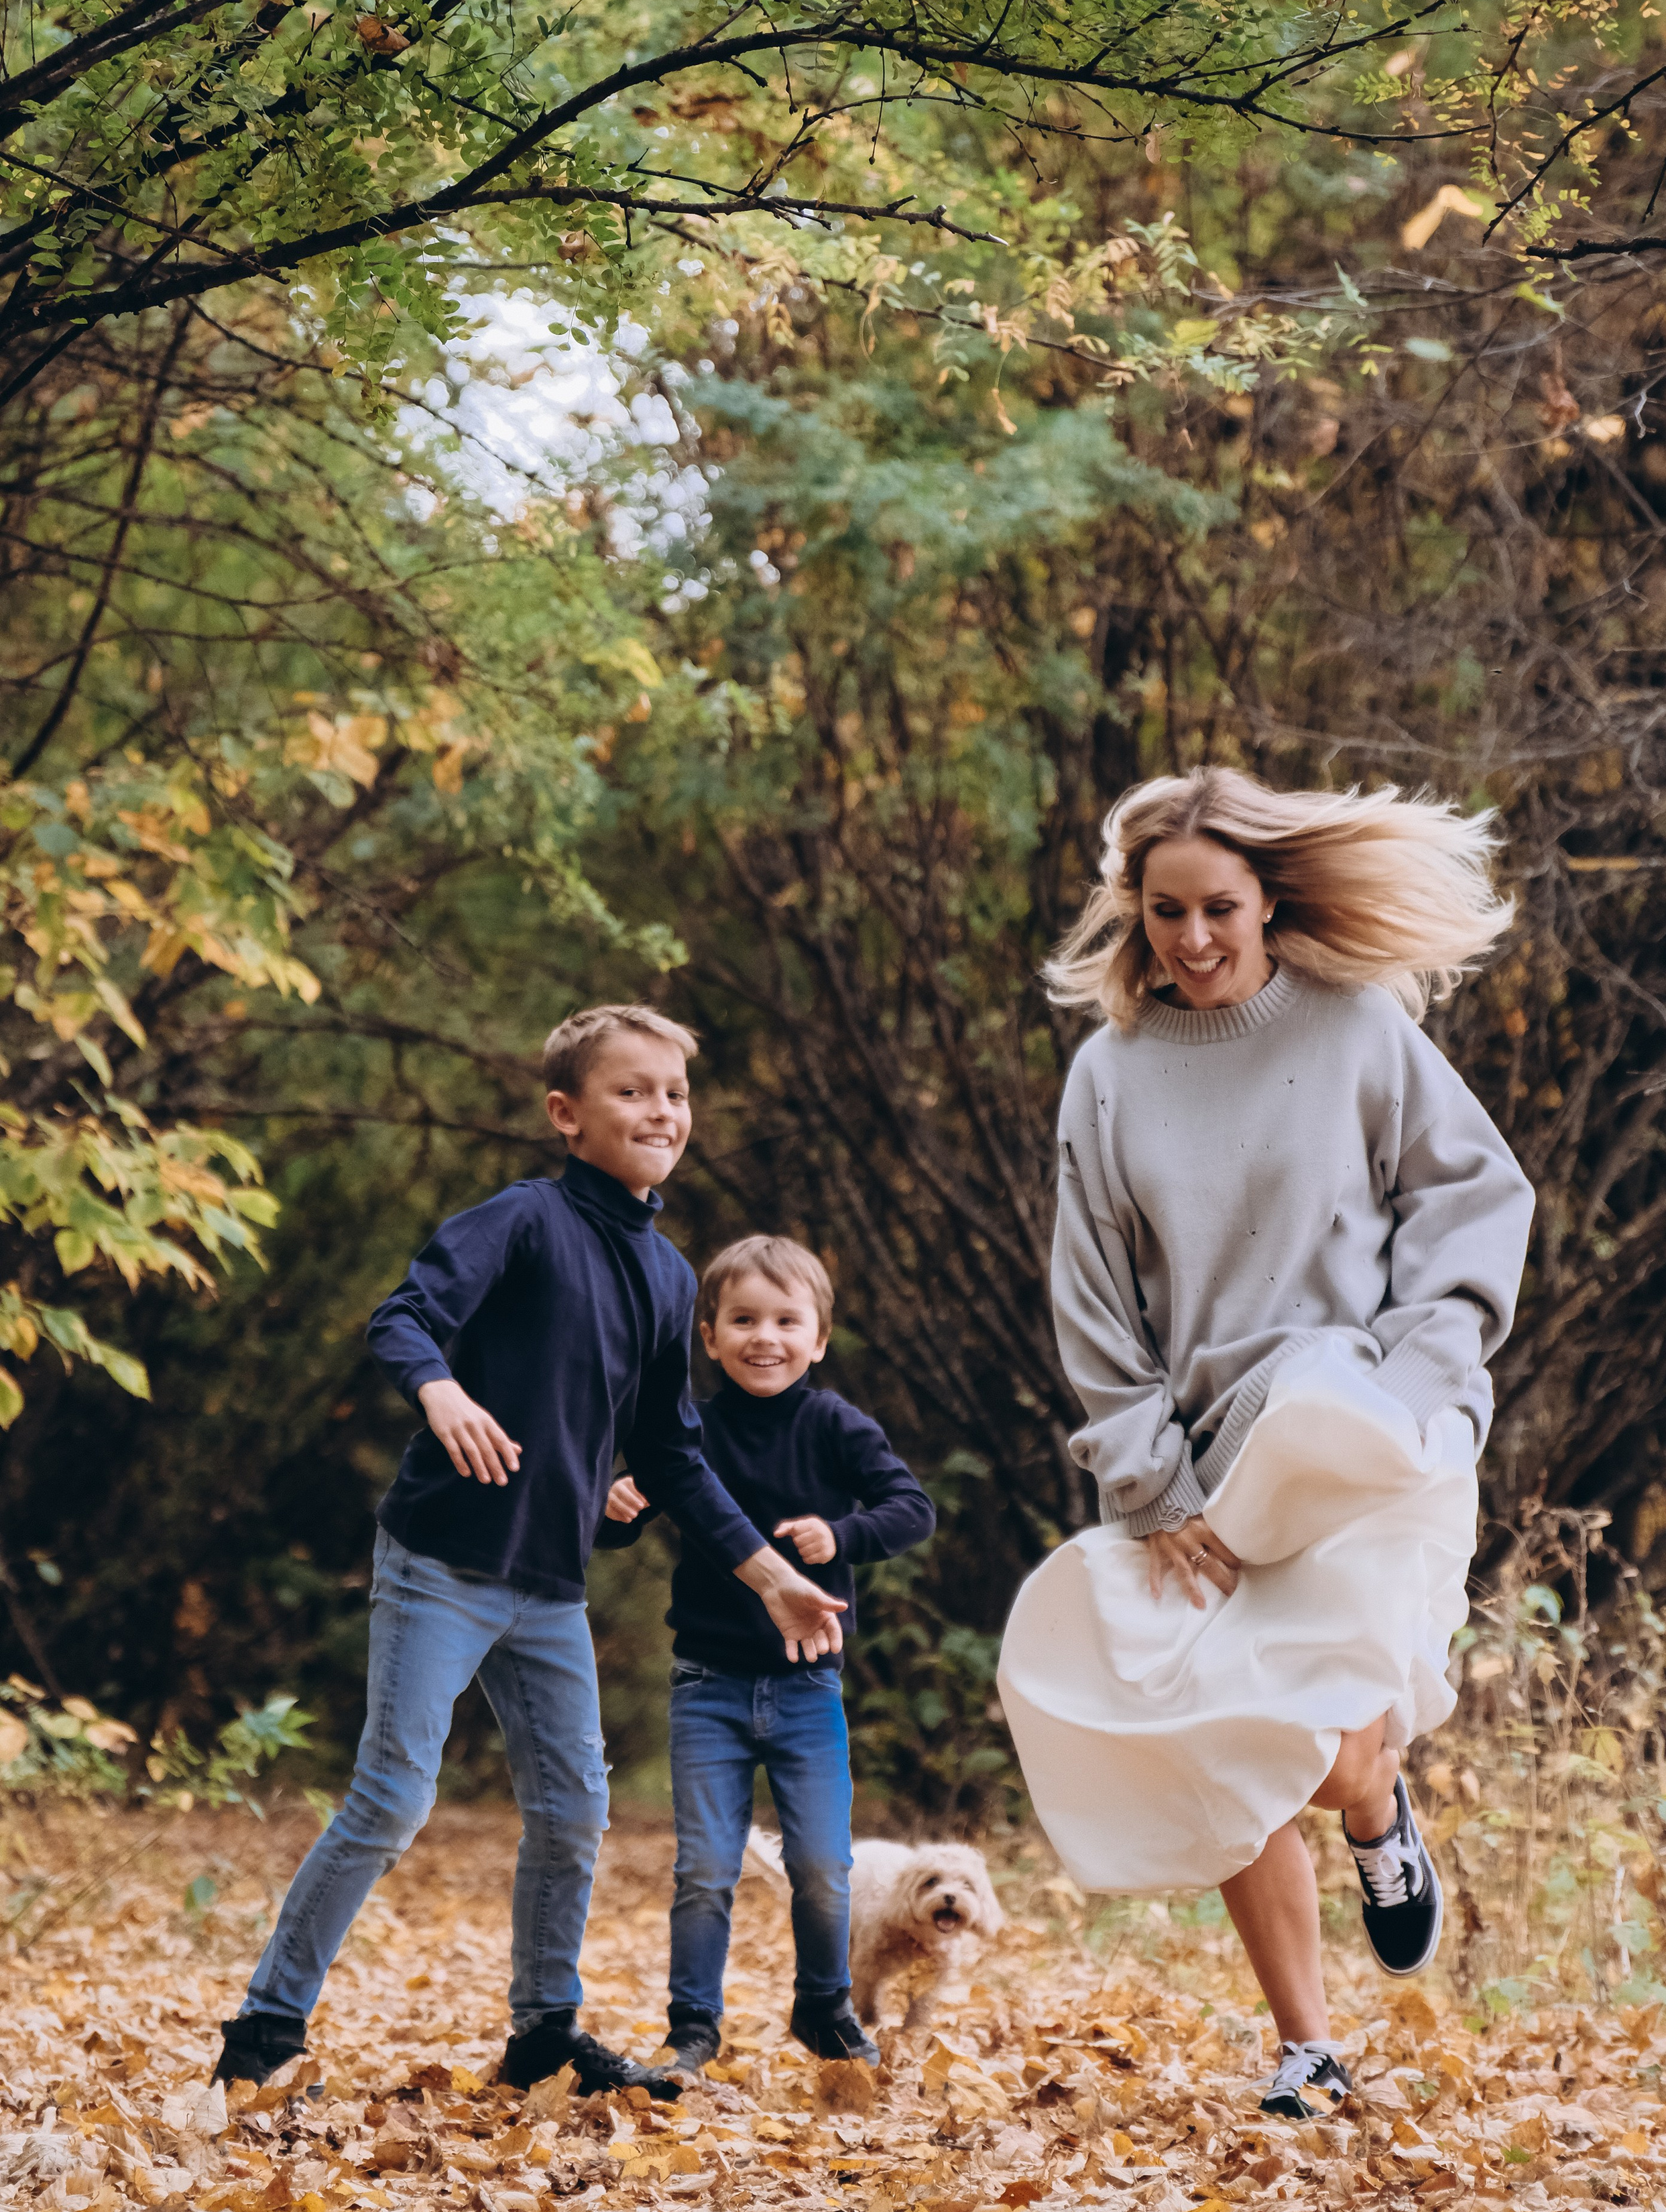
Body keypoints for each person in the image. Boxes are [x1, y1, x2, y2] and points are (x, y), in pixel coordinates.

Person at [997, 768, 1535, 2119]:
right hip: (1214, 1467)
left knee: (1334, 1734)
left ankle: (1370, 1805)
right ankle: (1305, 2041)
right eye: (1164, 910)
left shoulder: (1353, 1028)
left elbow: (1470, 1198)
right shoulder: (1106, 1075)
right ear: (1134, 912)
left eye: (1217, 908)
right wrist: (1149, 1479)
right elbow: (1091, 1298)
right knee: (1234, 1734)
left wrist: (1423, 1378)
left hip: (1370, 1435)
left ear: (1264, 900)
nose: (1190, 938)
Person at [212, 1006, 848, 2098]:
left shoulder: (668, 1278)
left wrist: (773, 1575)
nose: (661, 1110)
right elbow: (403, 1317)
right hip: (445, 1559)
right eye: (633, 1090)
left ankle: (543, 2035)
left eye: (676, 1094)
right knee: (396, 1793)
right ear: (567, 1114)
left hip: (550, 1585)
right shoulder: (521, 1220)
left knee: (574, 1812)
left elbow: (676, 1458)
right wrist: (442, 1387)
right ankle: (265, 2033)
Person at [597, 1234, 935, 2072]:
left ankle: (822, 2005)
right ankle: (692, 2028)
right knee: (705, 1866)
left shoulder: (834, 1425)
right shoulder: (688, 1432)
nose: (765, 1337)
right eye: (743, 1319)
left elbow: (911, 1507)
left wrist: (842, 1533)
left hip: (806, 1685)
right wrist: (618, 1501)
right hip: (706, 1682)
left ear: (818, 1338)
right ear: (707, 1336)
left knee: (822, 1864)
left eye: (787, 1320)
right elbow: (617, 1524)